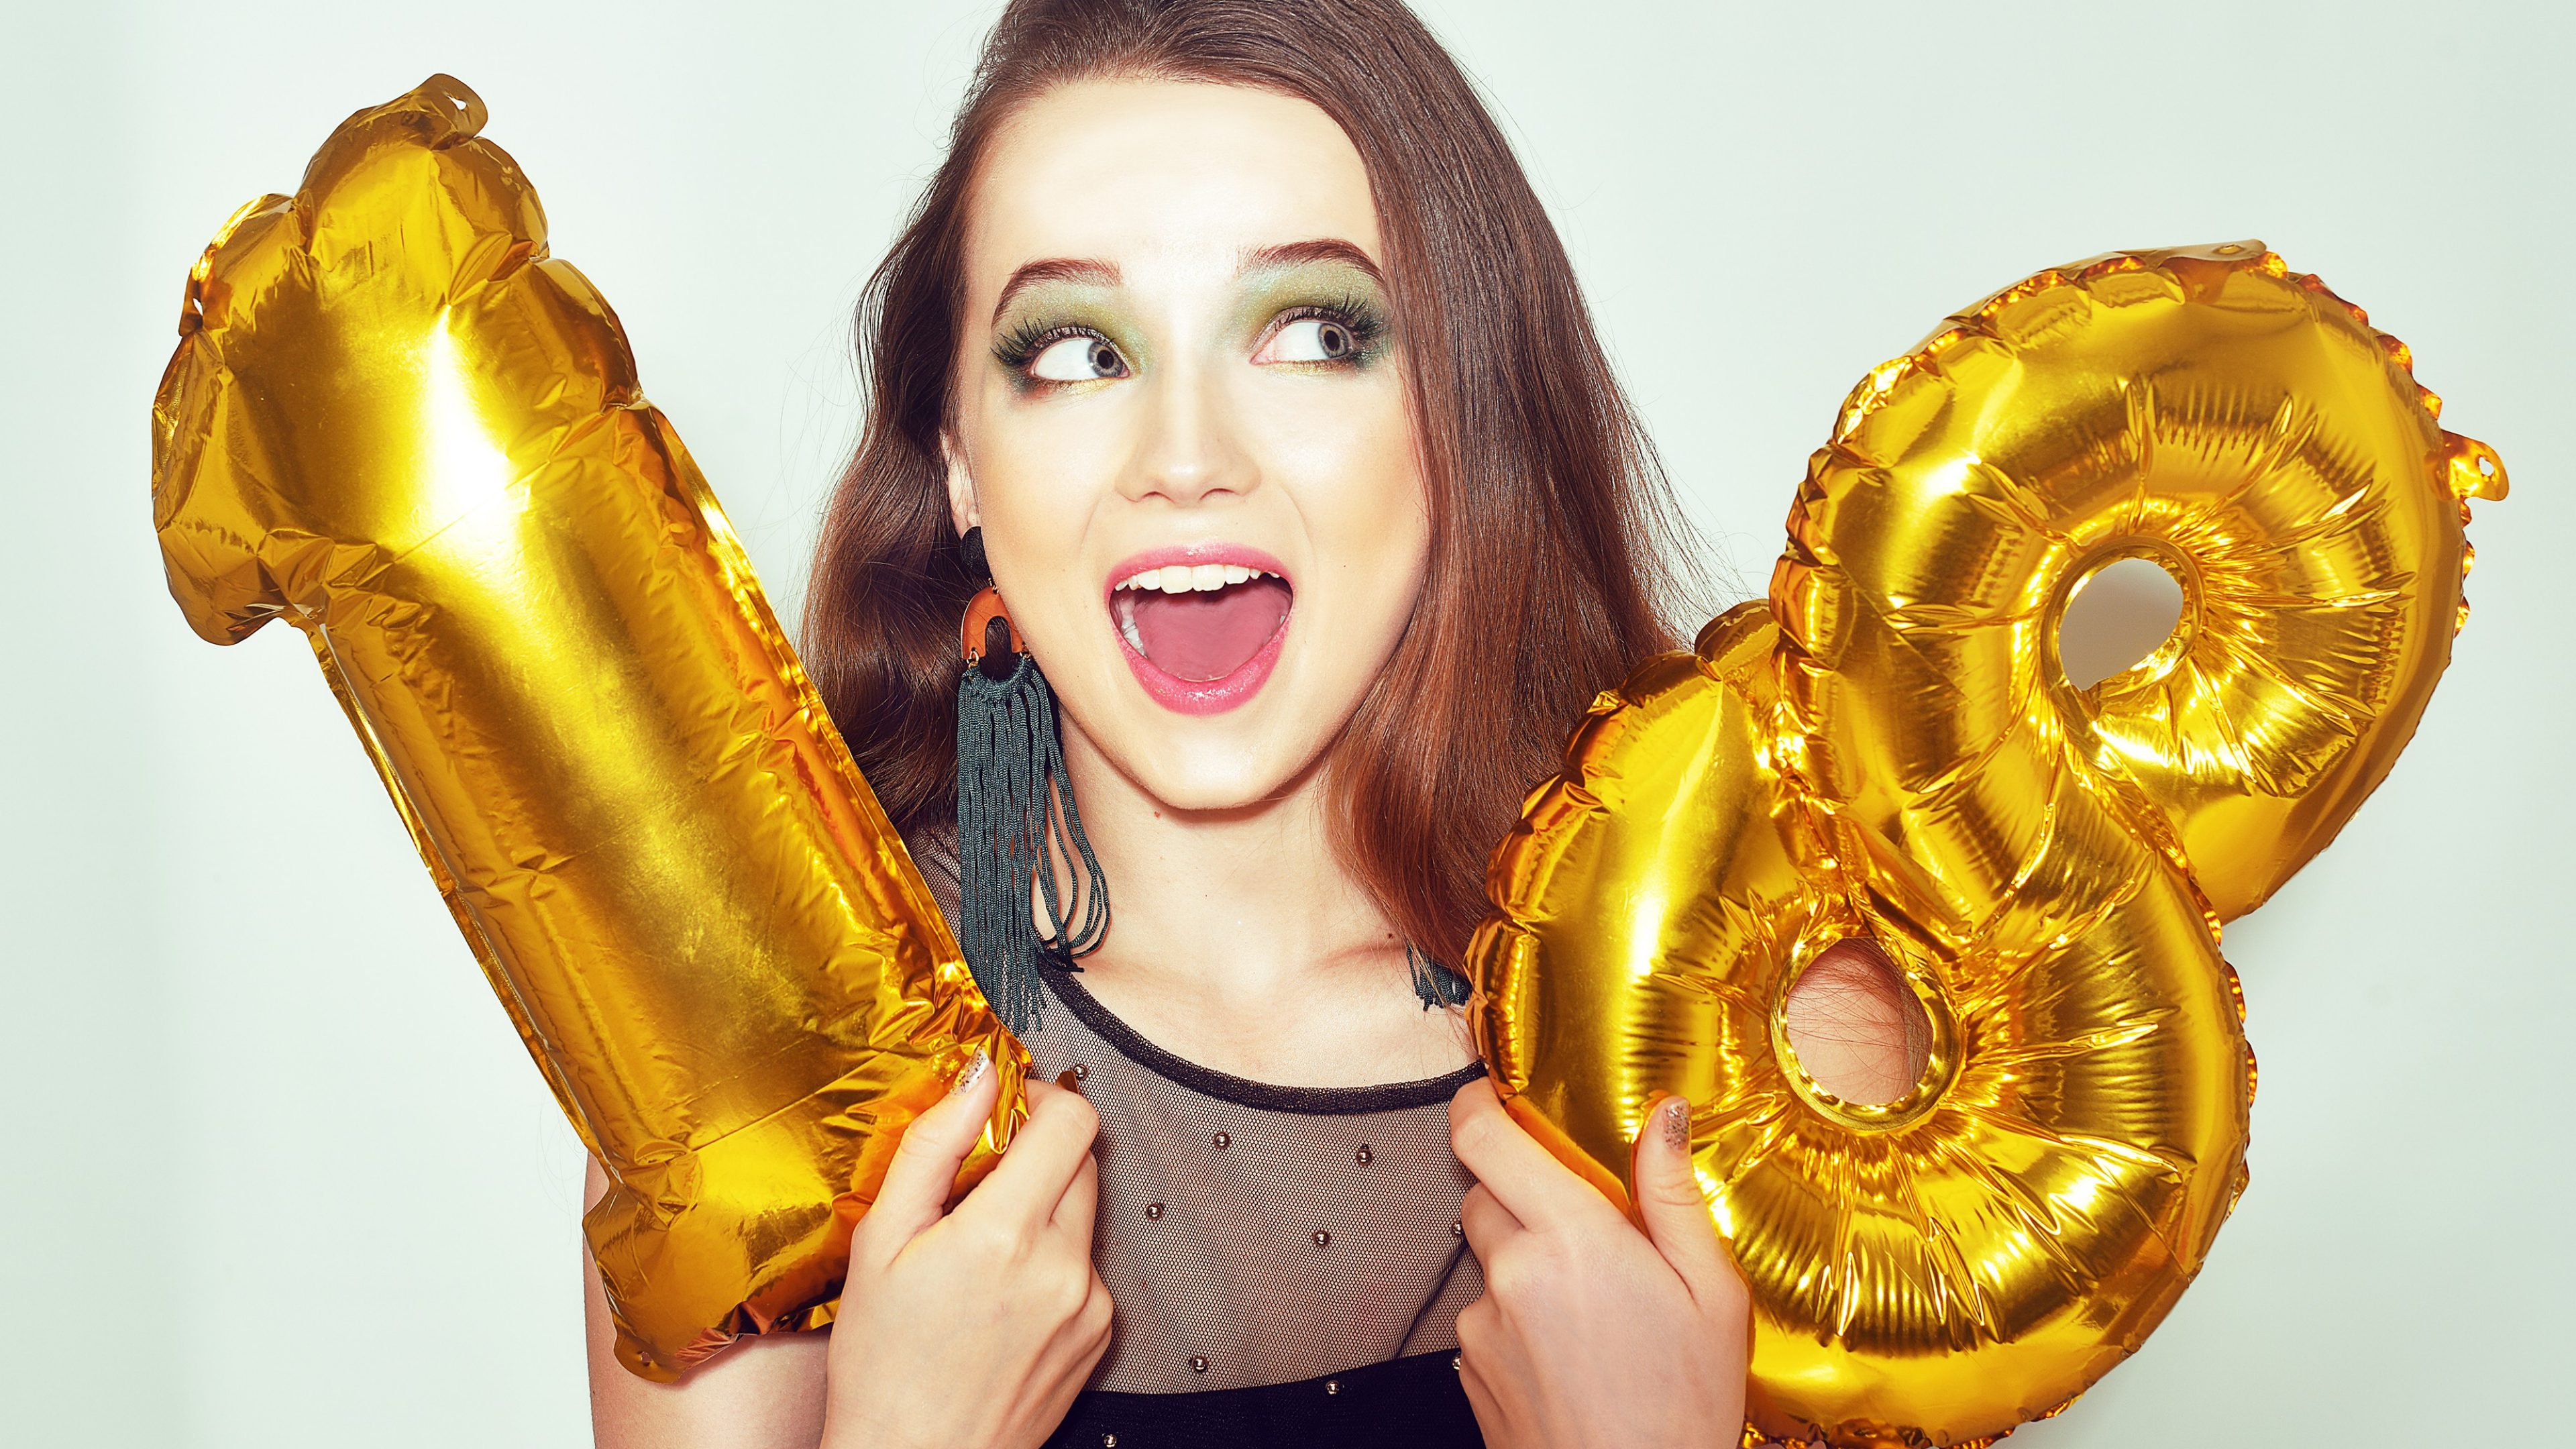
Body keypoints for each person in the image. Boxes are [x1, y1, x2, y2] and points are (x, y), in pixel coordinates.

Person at [584, 2, 1925, 1444]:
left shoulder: (1780, 1050)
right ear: (960, 461)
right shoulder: (751, 1067)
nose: (1184, 460)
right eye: (1076, 353)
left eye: (1311, 333)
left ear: (1461, 412)